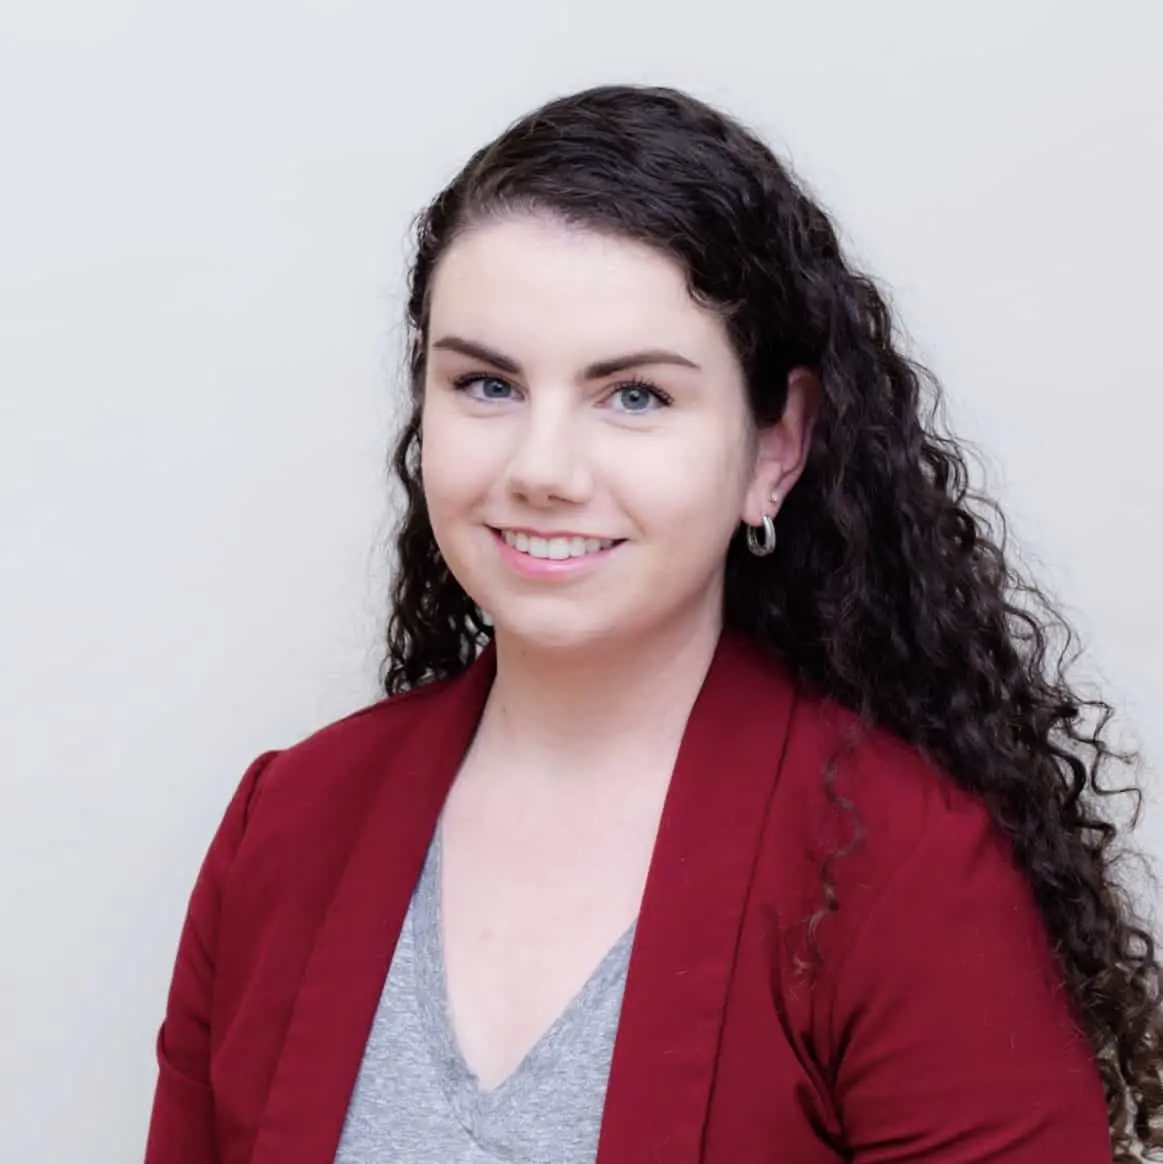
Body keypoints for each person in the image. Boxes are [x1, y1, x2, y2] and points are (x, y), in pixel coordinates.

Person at [143, 84, 1163, 1164]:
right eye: (485, 385)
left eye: (633, 396)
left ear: (775, 448)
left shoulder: (902, 871)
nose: (539, 470)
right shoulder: (283, 827)